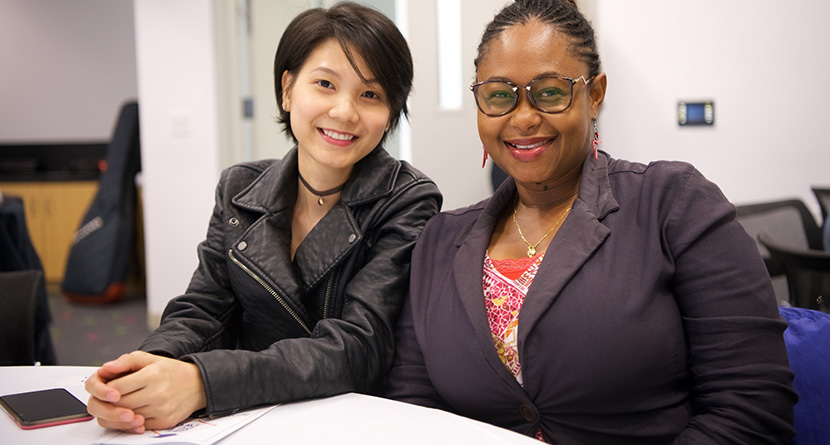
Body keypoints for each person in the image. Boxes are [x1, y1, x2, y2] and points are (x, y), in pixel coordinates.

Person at [385, 0, 795, 443]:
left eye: (550, 91)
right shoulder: (439, 241)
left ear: (594, 94)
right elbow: (413, 408)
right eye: (499, 94)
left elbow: (750, 406)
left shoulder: (673, 204)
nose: (523, 117)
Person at [85, 2, 441, 433]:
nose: (346, 111)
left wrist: (202, 382)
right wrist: (150, 369)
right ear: (288, 89)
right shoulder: (239, 189)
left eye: (371, 94)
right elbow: (203, 308)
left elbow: (358, 347)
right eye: (325, 84)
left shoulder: (407, 199)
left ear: (390, 113)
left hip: (347, 420)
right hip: (249, 417)